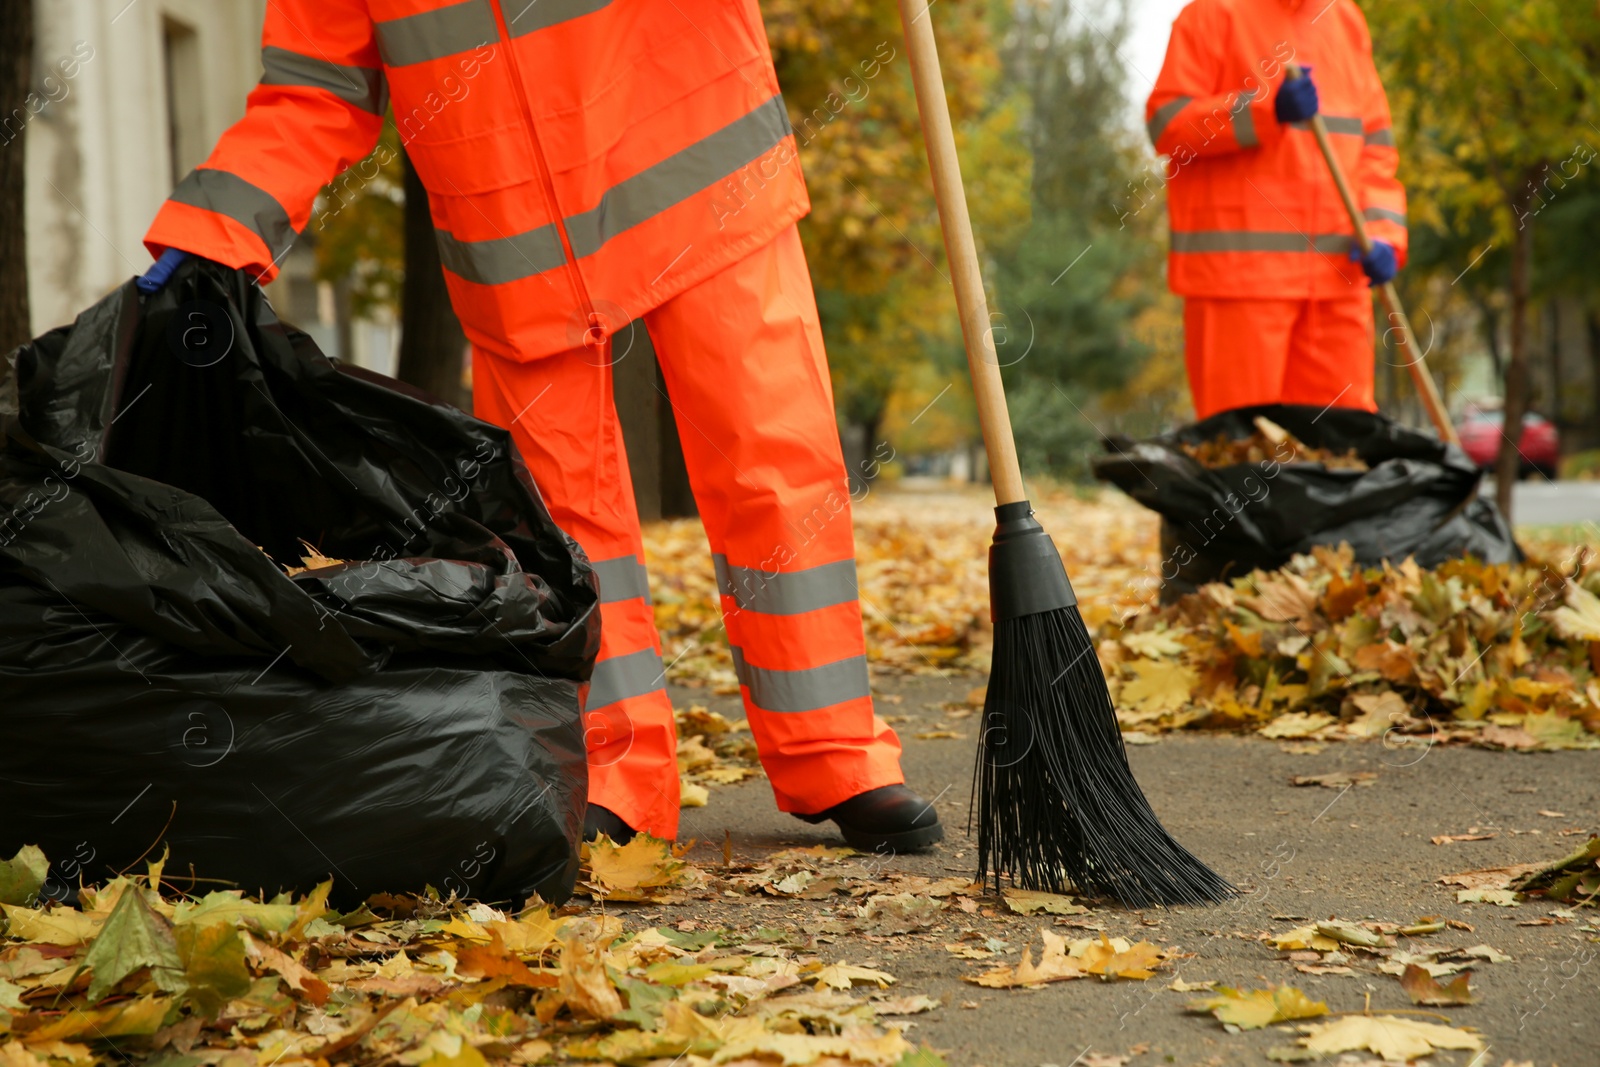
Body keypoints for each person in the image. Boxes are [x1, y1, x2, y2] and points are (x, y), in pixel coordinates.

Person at [139, 1, 942, 854]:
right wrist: (217, 231)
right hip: (517, 243)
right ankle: (615, 771)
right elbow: (318, 87)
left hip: (699, 165)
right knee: (564, 526)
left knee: (771, 463)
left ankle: (836, 753)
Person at [1144, 0, 1407, 420]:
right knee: (1242, 451)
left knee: (1342, 455)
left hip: (1338, 283)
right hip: (1239, 288)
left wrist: (1385, 236)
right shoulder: (1213, 13)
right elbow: (1167, 126)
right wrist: (1264, 110)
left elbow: (1375, 147)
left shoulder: (1345, 20)